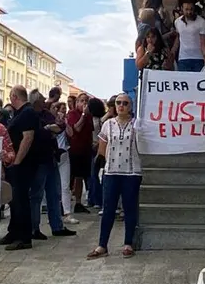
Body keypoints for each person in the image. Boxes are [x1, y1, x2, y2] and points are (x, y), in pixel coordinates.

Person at [87, 94, 142, 259]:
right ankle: (102, 245)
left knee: (130, 207)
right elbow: (102, 147)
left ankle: (128, 243)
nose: (121, 106)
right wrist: (101, 166)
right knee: (108, 208)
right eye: (118, 103)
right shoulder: (108, 125)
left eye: (125, 103)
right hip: (111, 171)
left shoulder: (137, 125)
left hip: (131, 172)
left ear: (130, 106)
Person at [27, 89, 77, 240]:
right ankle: (34, 228)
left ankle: (57, 226)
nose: (45, 103)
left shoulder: (46, 114)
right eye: (42, 101)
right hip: (38, 159)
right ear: (36, 102)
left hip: (51, 157)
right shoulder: (30, 115)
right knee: (36, 195)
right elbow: (35, 134)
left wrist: (55, 126)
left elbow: (59, 128)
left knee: (54, 193)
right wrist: (48, 129)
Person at [0, 86, 39, 251]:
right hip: (15, 163)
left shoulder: (27, 112)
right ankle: (13, 232)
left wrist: (17, 161)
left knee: (21, 199)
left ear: (14, 96)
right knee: (14, 200)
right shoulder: (19, 113)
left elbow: (27, 138)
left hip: (23, 164)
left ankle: (24, 237)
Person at [52, 102, 79, 225]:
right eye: (60, 109)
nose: (62, 112)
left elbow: (71, 133)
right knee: (52, 187)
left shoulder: (65, 122)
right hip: (52, 156)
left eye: (64, 110)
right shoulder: (49, 122)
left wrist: (66, 123)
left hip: (64, 154)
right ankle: (54, 214)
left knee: (65, 186)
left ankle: (67, 213)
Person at [66, 93, 93, 213]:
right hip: (74, 149)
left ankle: (78, 202)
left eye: (86, 101)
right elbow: (76, 128)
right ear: (77, 102)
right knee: (71, 176)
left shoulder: (89, 116)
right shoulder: (72, 114)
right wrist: (83, 115)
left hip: (85, 149)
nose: (84, 103)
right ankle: (64, 202)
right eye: (82, 101)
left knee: (80, 176)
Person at [172, 0, 205, 72]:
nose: (189, 12)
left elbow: (203, 41)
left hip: (198, 58)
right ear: (182, 8)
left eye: (191, 9)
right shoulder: (177, 22)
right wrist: (173, 51)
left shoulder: (202, 22)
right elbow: (178, 38)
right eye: (186, 9)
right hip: (183, 58)